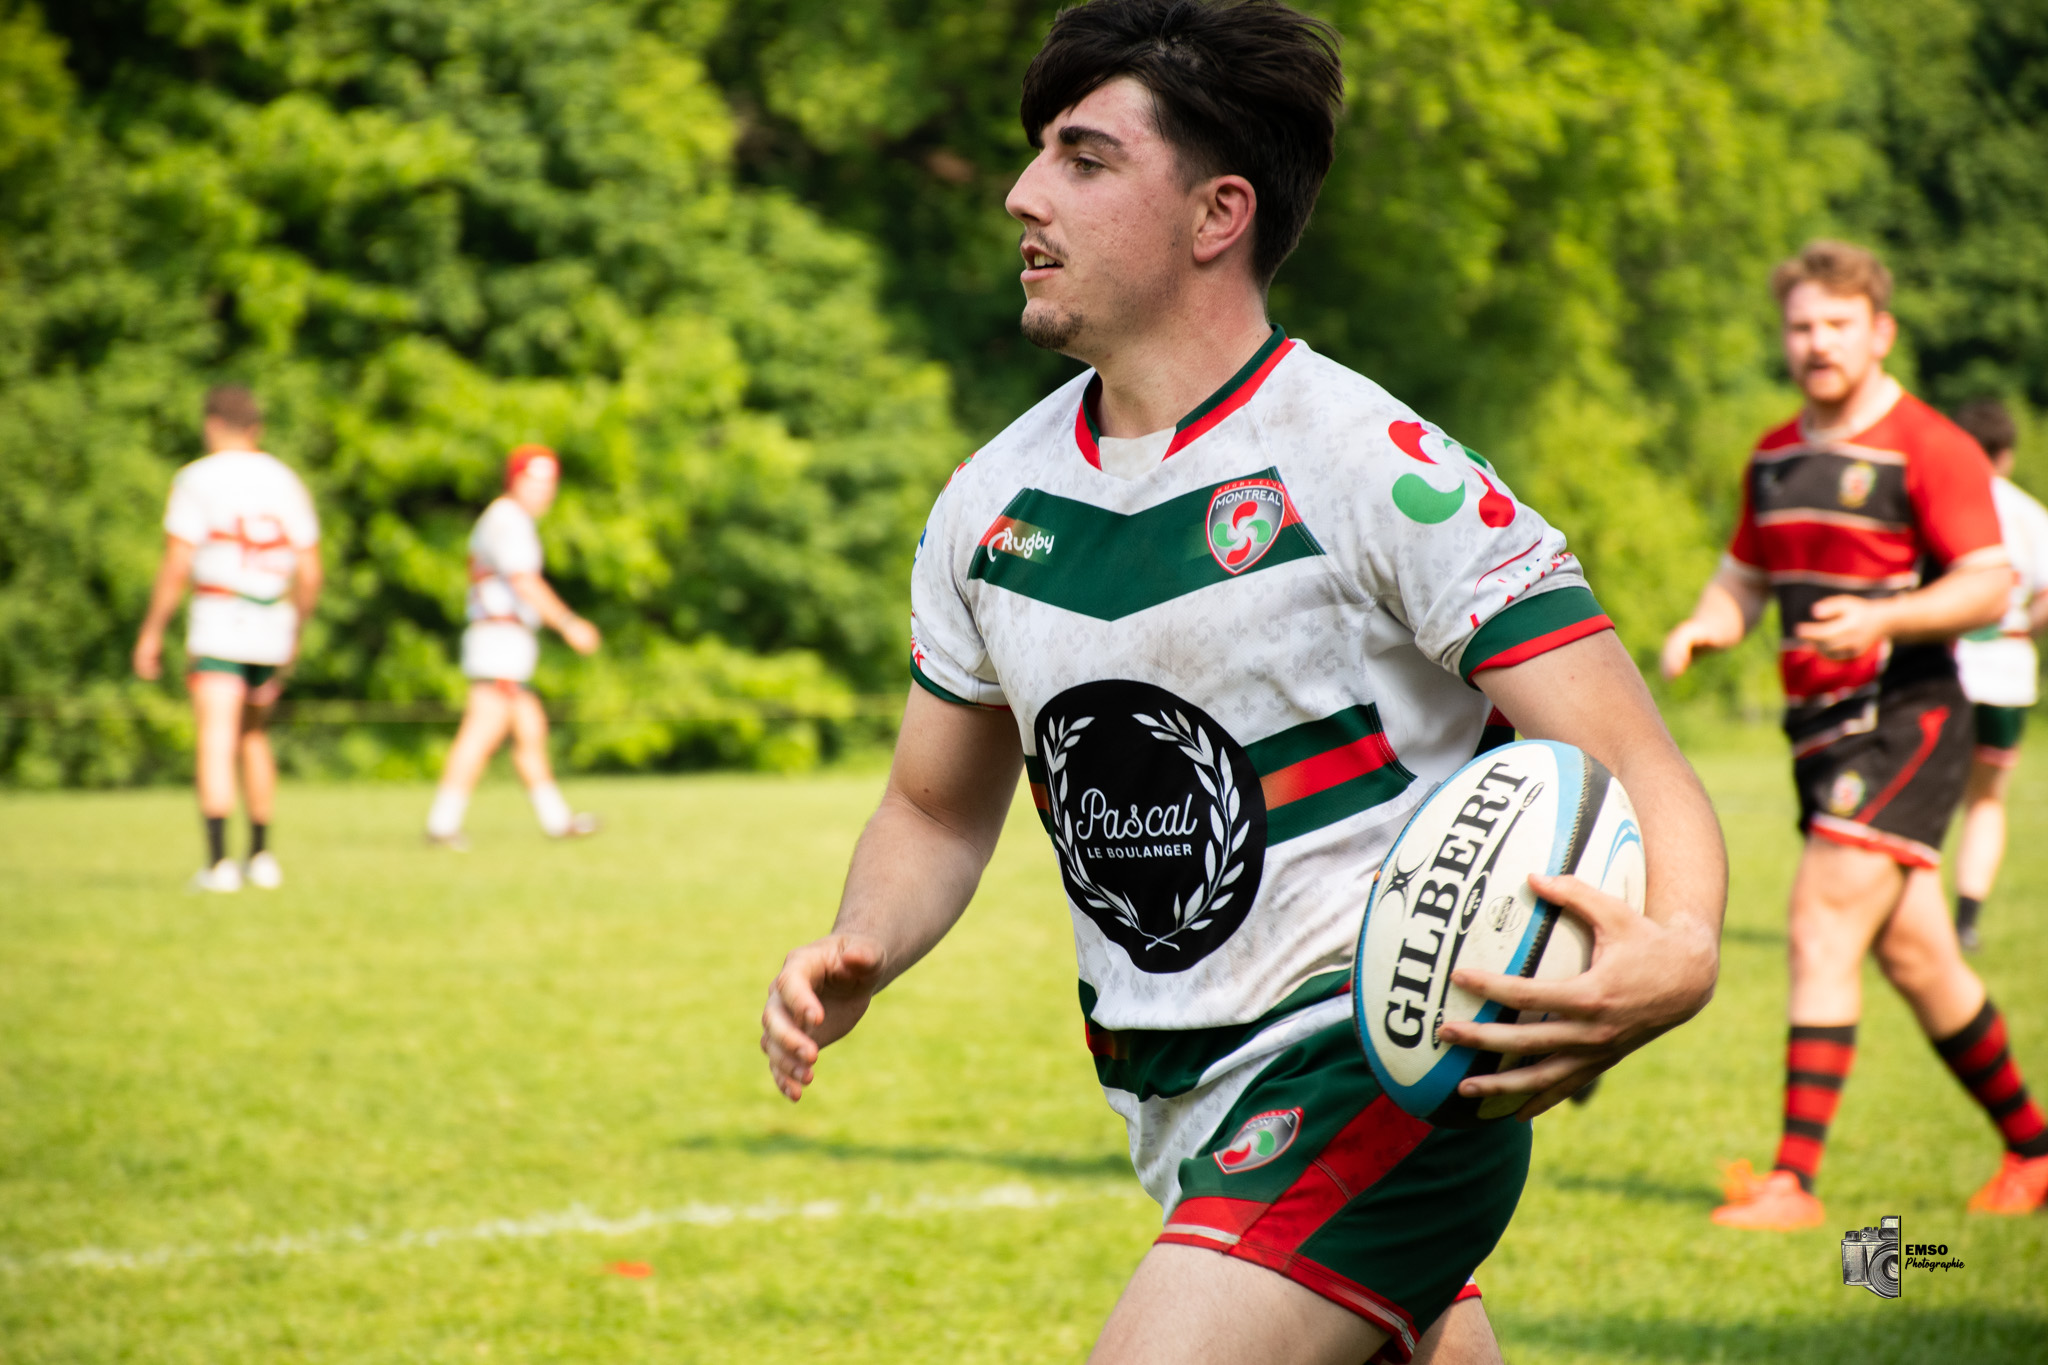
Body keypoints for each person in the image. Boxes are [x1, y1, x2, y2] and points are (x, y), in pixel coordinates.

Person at [761, 5, 1726, 1362]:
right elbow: (933, 808)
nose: (1023, 193)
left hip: (1378, 1067)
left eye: (1084, 159)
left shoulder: (1374, 467)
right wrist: (862, 940)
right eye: (1039, 153)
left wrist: (1681, 946)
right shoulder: (989, 506)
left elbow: (1633, 753)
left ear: (1218, 213)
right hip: (1178, 1102)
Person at [1663, 241, 2048, 1224]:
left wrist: (1882, 618)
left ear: (1880, 333)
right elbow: (1744, 574)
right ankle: (2035, 1153)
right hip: (1818, 733)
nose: (1817, 343)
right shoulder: (1774, 456)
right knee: (1920, 959)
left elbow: (1988, 584)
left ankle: (1792, 1182)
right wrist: (1707, 624)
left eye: (1837, 325)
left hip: (1905, 719)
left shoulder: (1928, 445)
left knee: (1820, 920)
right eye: (1801, 326)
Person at [133, 385, 322, 892]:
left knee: (216, 735)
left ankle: (218, 864)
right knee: (254, 736)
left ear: (212, 424)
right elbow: (310, 572)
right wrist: (295, 629)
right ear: (256, 427)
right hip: (272, 622)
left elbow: (177, 562)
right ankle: (261, 856)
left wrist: (151, 632)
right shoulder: (285, 479)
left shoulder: (197, 478)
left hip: (220, 619)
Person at [424, 445, 601, 848]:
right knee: (482, 730)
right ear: (514, 481)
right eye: (533, 482)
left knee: (530, 731)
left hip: (509, 641)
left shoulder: (512, 519)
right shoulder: (508, 519)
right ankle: (441, 824)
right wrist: (569, 623)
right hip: (498, 638)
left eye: (548, 483)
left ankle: (557, 820)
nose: (543, 492)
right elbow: (524, 581)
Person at [1947, 397, 2048, 951]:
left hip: (1946, 669)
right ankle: (1965, 920)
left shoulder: (1942, 503)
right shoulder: (2031, 515)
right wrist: (2020, 630)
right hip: (2006, 677)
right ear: (2006, 454)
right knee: (1986, 801)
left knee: (1924, 798)